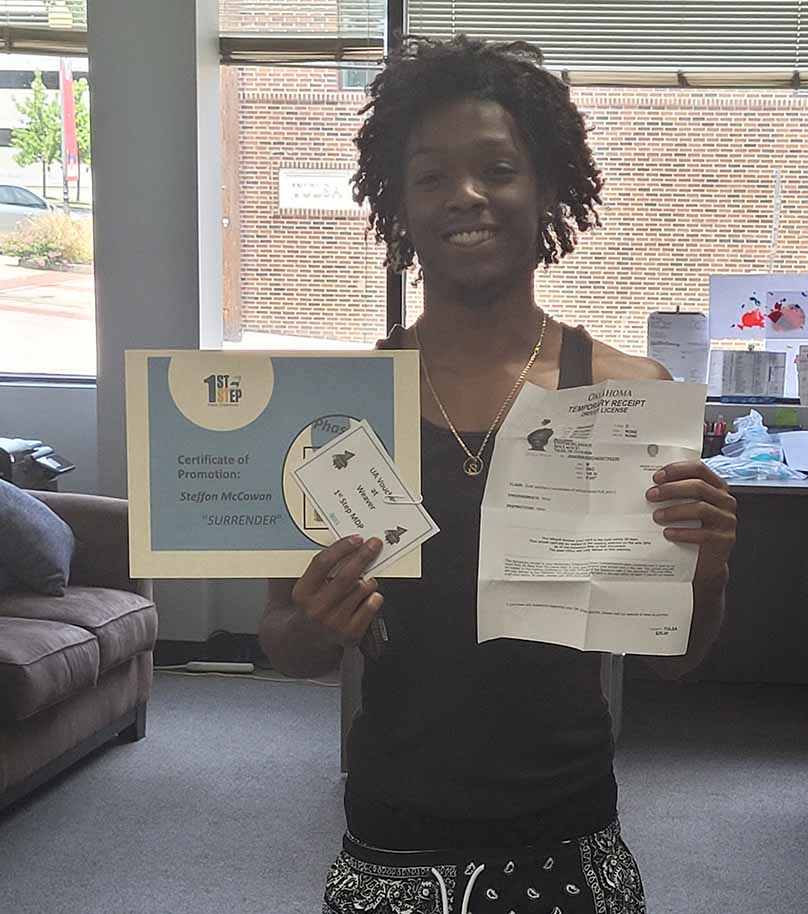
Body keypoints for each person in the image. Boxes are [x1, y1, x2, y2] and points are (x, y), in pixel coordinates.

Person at [260, 35, 738, 914]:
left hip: (567, 843)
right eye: (432, 175)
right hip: (388, 841)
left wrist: (705, 573)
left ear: (548, 187)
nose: (466, 196)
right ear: (397, 204)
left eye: (498, 168)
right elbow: (284, 647)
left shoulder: (630, 397)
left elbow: (678, 663)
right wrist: (317, 624)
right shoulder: (341, 413)